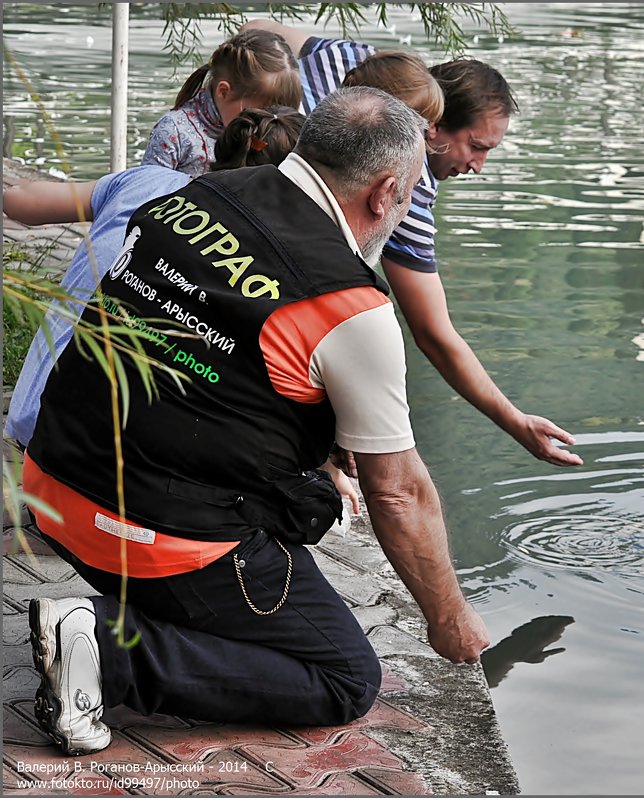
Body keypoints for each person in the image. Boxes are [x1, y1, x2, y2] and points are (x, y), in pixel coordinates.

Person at [23, 87, 489, 757]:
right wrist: (450, 622)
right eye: (416, 191)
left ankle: (120, 624)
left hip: (51, 489)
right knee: (344, 678)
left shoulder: (187, 199)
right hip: (151, 537)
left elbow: (202, 356)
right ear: (385, 192)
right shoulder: (346, 302)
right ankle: (107, 652)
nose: (412, 204)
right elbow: (399, 491)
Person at [241, 19, 584, 468]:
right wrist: (515, 422)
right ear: (433, 129)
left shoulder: (358, 61)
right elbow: (436, 335)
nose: (478, 166)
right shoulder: (406, 188)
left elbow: (258, 27)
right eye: (476, 146)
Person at [4, 107, 306, 450]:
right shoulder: (253, 250)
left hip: (30, 410)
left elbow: (18, 201)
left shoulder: (148, 179)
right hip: (94, 448)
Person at [142, 29, 301, 176]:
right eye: (262, 112)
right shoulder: (173, 132)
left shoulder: (276, 129)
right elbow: (147, 195)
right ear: (224, 92)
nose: (271, 123)